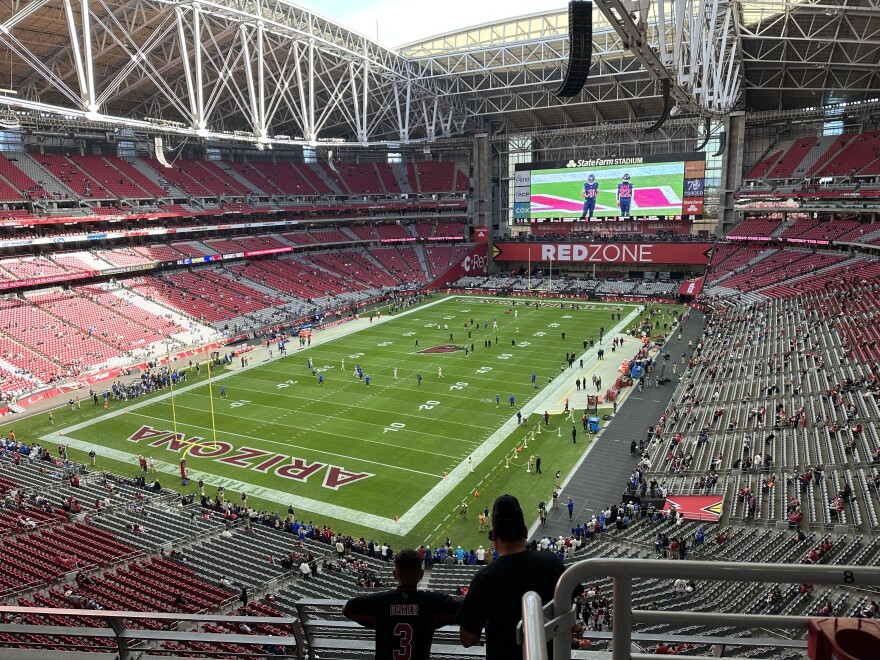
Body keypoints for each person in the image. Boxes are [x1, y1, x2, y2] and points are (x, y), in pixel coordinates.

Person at [458, 494, 566, 659]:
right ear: (525, 531)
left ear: (493, 535)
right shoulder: (553, 563)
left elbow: (468, 639)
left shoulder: (486, 578)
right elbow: (568, 616)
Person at [344, 548, 461, 660]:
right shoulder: (435, 602)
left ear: (394, 575)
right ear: (421, 575)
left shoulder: (379, 601)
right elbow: (464, 609)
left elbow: (346, 609)